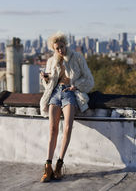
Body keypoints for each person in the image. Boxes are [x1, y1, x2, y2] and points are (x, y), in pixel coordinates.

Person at [39, 32, 94, 182]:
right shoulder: (52, 61)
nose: (60, 51)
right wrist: (46, 78)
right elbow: (49, 83)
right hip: (55, 94)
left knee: (68, 127)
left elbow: (89, 80)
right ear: (53, 49)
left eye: (62, 47)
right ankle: (48, 166)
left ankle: (59, 164)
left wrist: (75, 86)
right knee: (52, 128)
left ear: (65, 45)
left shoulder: (77, 58)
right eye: (57, 49)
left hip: (69, 93)